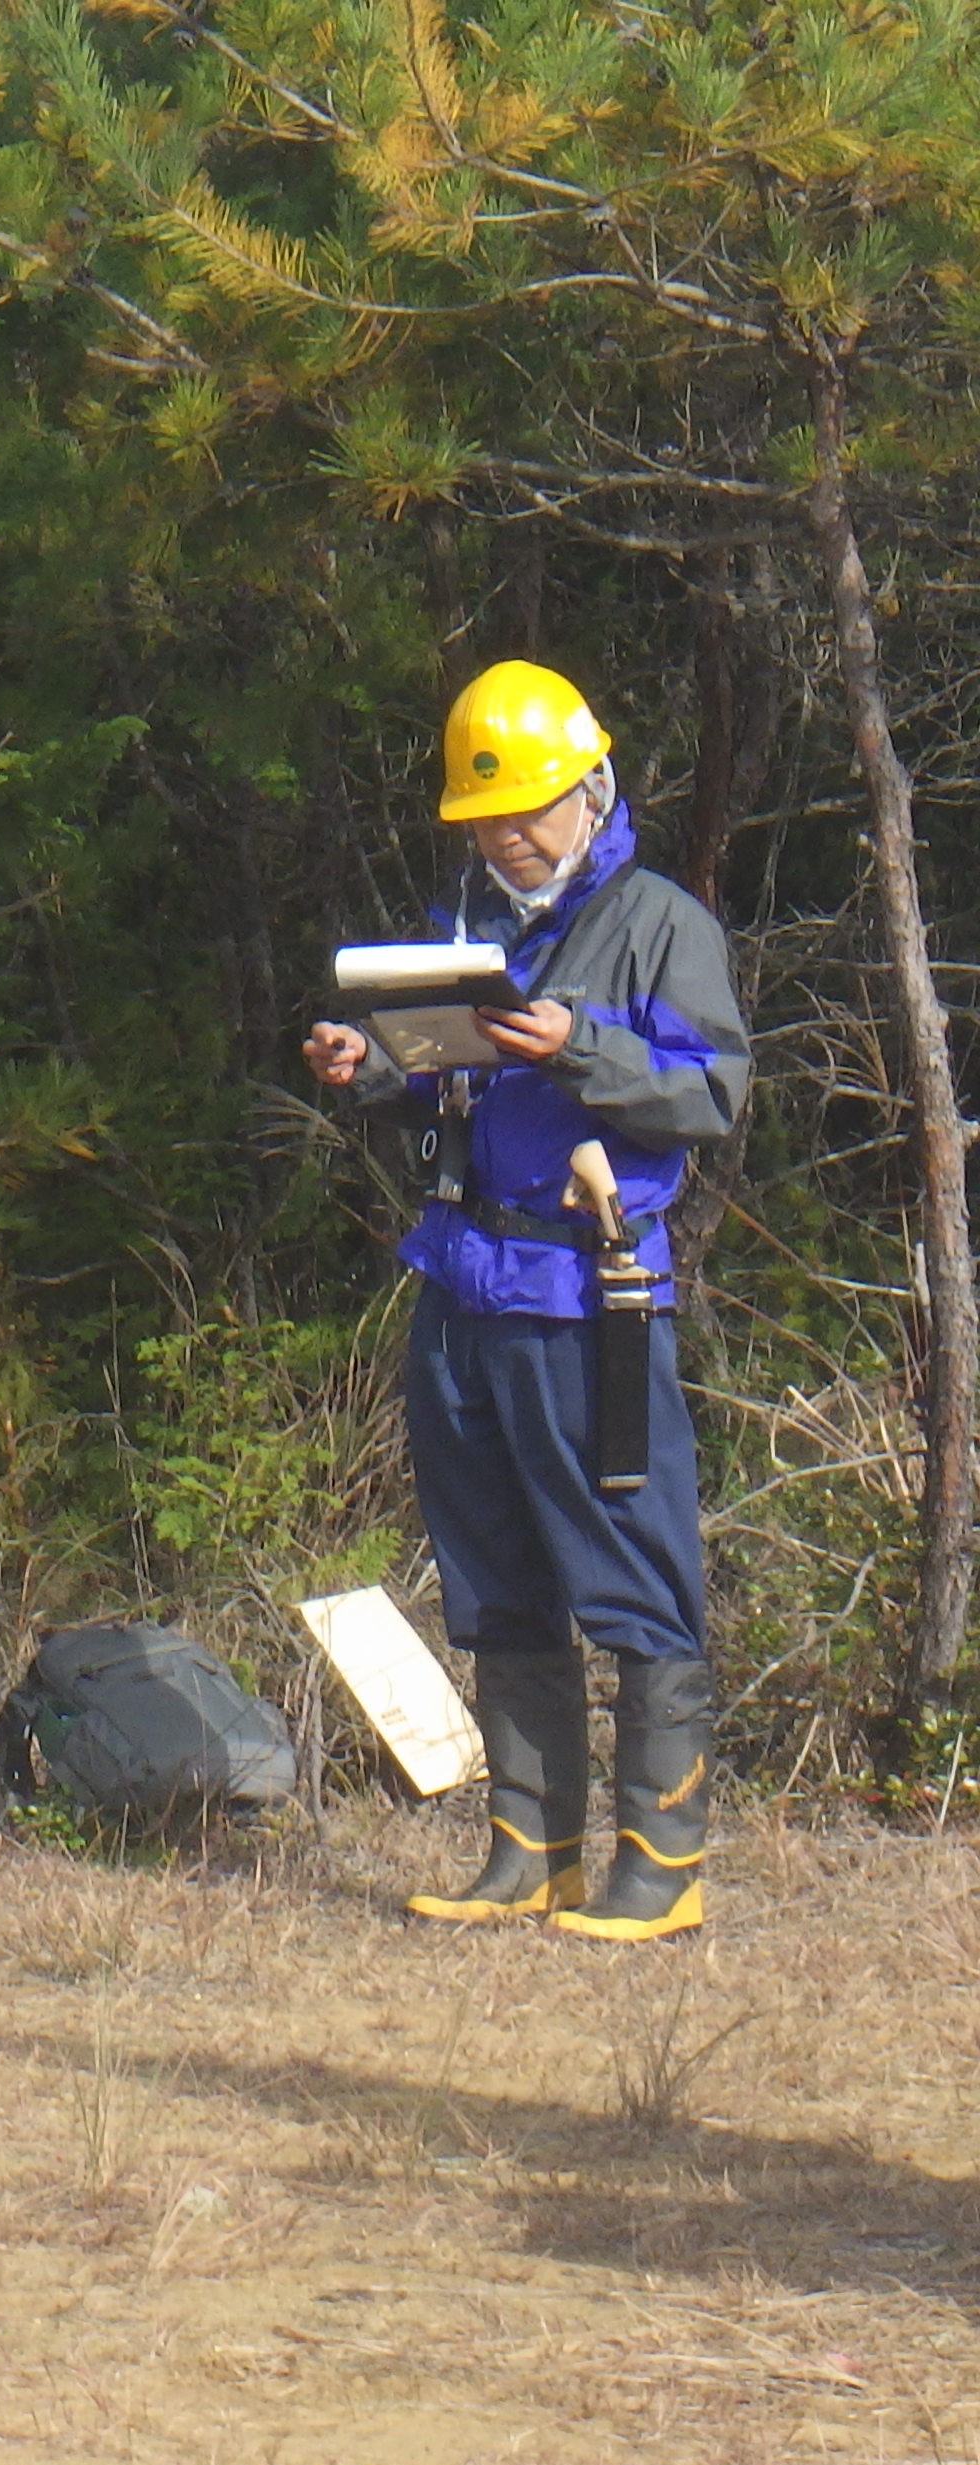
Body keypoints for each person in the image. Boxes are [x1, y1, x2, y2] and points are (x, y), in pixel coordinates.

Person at [304, 659, 750, 1940]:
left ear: (589, 788)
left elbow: (715, 1093)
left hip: (587, 1290)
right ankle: (528, 1853)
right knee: (493, 1570)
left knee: (632, 1565)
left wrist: (586, 1048)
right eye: (486, 820)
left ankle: (661, 1867)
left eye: (529, 813)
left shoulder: (661, 922)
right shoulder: (471, 926)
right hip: (458, 1286)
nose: (507, 837)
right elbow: (447, 1076)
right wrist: (371, 1063)